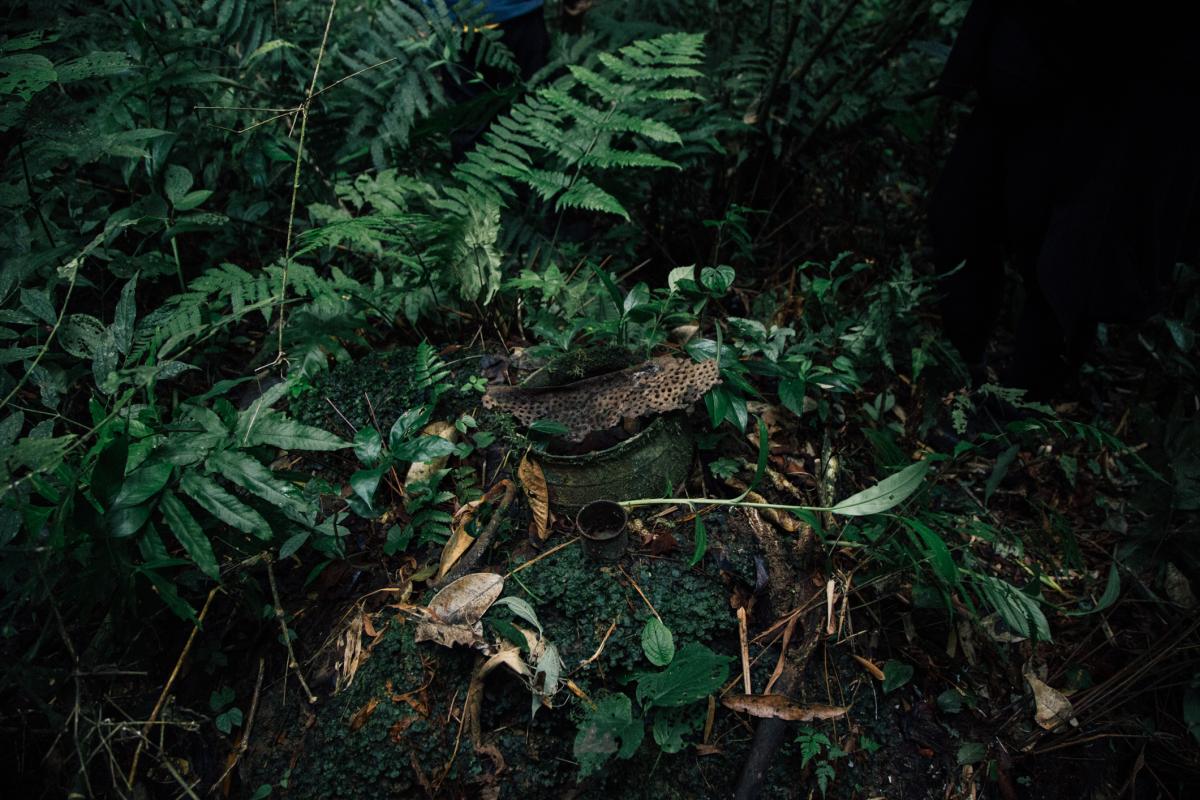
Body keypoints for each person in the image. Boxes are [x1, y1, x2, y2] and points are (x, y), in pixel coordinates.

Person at [930, 1, 1200, 398]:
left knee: (1067, 260)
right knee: (959, 216)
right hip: (1027, 74)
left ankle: (1020, 404)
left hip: (1111, 96)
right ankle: (963, 364)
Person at [442, 1, 592, 160]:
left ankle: (476, 178)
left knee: (473, 121)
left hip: (463, 18)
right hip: (514, 13)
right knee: (530, 110)